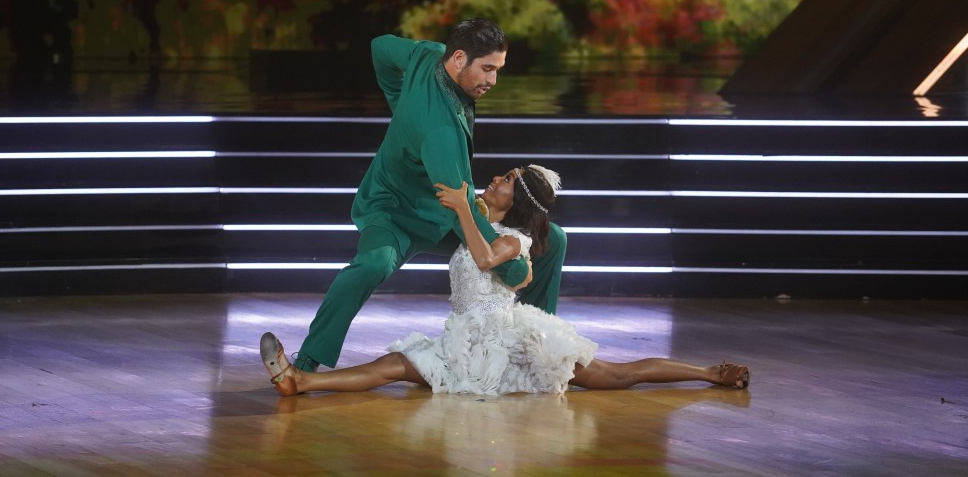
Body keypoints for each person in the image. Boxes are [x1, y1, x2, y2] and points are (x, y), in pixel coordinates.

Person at [260, 165, 750, 396]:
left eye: (507, 181)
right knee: (396, 366)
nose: (496, 177)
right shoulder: (477, 219)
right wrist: (461, 208)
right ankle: (300, 380)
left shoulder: (514, 239)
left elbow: (485, 257)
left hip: (514, 342)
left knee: (616, 376)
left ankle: (710, 373)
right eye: (504, 175)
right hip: (467, 337)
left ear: (515, 203)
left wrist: (464, 209)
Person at [290, 19, 568, 373]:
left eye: (497, 69)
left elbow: (379, 46)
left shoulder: (428, 55)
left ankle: (536, 346)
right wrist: (513, 268)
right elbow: (461, 211)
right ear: (459, 58)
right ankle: (309, 360)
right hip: (394, 213)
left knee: (550, 239)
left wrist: (400, 104)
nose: (493, 80)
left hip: (439, 216)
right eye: (487, 69)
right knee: (372, 264)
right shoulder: (440, 132)